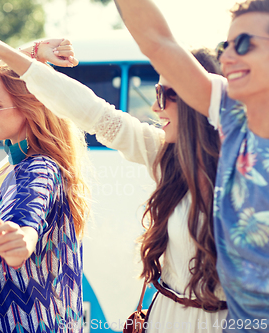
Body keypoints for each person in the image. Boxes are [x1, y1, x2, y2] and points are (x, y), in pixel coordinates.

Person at [0, 6, 230, 332]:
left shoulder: (245, 168)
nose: (154, 107)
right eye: (155, 92)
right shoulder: (162, 154)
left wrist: (24, 237)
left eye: (166, 95)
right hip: (166, 319)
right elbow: (95, 113)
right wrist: (2, 49)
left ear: (201, 98)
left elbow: (32, 204)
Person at [110, 0, 269, 330]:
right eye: (226, 46)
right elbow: (157, 41)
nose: (226, 58)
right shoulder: (231, 112)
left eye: (243, 44)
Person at [0, 14, 89, 333]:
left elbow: (30, 213)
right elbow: (6, 79)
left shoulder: (38, 167)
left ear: (29, 110)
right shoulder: (15, 162)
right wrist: (34, 51)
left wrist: (23, 237)